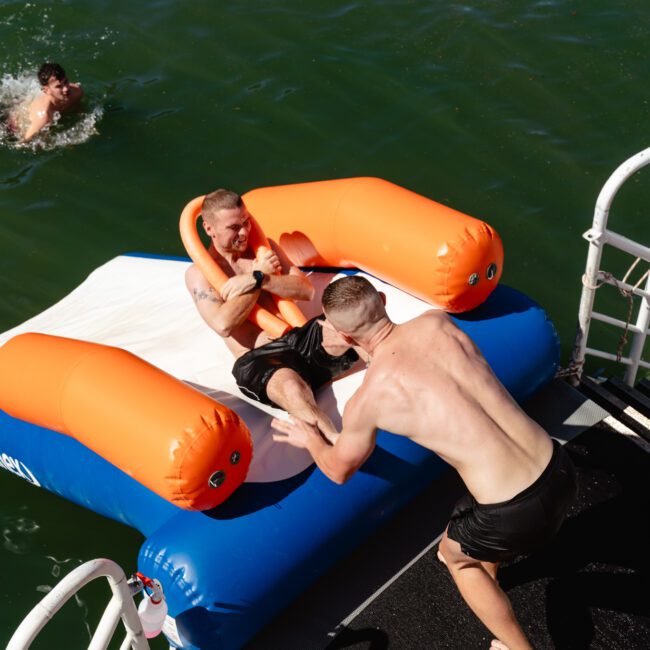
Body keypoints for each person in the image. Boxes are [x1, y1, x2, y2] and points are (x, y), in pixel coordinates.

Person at [271, 275, 577, 650]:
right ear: (383, 299)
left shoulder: (368, 400)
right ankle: (491, 569)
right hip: (559, 465)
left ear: (343, 336)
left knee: (454, 559)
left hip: (512, 513)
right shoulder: (439, 322)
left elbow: (338, 469)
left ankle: (518, 648)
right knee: (463, 526)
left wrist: (310, 438)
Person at [185, 189, 361, 440]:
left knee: (353, 322)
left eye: (246, 222)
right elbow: (223, 323)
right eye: (234, 227)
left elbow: (305, 290)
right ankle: (336, 443)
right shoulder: (199, 275)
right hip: (258, 359)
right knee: (291, 386)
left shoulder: (263, 251)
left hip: (296, 339)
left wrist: (261, 278)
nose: (244, 232)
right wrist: (255, 281)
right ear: (209, 229)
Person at [9, 62, 83, 142]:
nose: (66, 89)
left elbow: (78, 109)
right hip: (16, 119)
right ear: (46, 90)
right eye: (58, 87)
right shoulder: (44, 116)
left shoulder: (77, 92)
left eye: (65, 82)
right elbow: (23, 142)